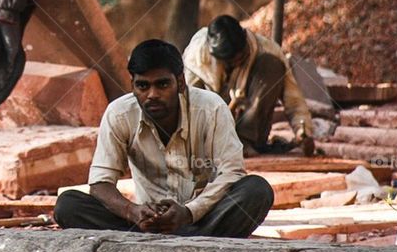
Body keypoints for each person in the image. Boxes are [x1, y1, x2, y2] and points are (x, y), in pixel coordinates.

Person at [54, 39, 273, 238]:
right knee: (68, 205)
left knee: (256, 190)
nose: (152, 95)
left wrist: (188, 212)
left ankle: (177, 239)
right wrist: (133, 212)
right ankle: (191, 241)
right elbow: (100, 184)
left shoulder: (211, 108)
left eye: (162, 84)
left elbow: (232, 172)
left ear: (180, 82)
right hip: (145, 225)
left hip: (202, 218)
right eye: (142, 86)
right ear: (133, 85)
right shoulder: (119, 114)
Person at [183, 15, 314, 158]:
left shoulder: (267, 49)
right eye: (232, 62)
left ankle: (245, 142)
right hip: (209, 133)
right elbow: (185, 104)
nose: (237, 63)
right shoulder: (196, 56)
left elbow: (293, 99)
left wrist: (303, 132)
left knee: (272, 65)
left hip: (248, 127)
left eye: (241, 57)